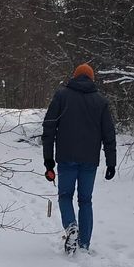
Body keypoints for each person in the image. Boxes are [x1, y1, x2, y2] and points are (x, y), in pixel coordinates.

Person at [42, 63, 117, 254]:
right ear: (91, 79)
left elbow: (49, 128)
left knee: (65, 196)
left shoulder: (61, 96)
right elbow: (109, 134)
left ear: (74, 77)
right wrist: (111, 162)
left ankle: (70, 226)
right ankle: (83, 244)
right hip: (90, 160)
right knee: (85, 201)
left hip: (66, 157)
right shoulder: (100, 101)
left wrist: (48, 160)